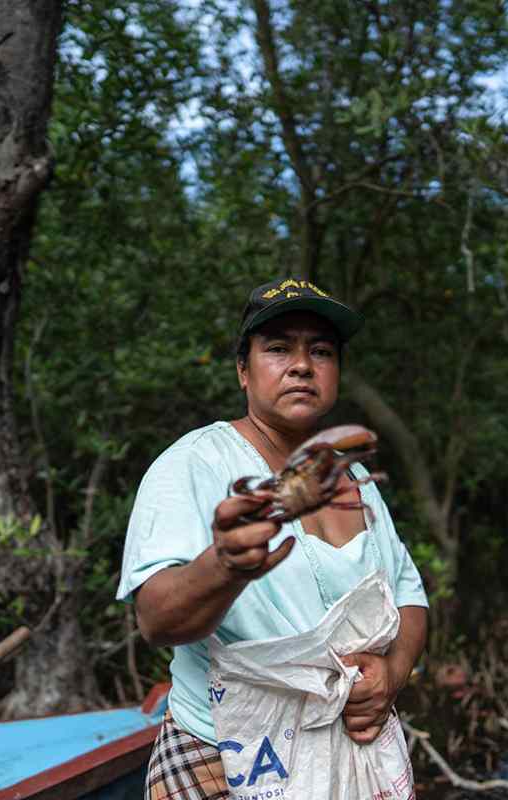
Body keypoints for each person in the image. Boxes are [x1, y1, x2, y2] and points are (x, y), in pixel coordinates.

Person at [117, 278, 429, 799]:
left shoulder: (353, 480)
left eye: (322, 351)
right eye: (279, 348)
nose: (302, 365)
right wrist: (225, 564)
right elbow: (155, 620)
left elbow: (408, 593)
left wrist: (391, 674)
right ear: (244, 370)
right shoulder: (193, 465)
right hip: (223, 749)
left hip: (351, 745)